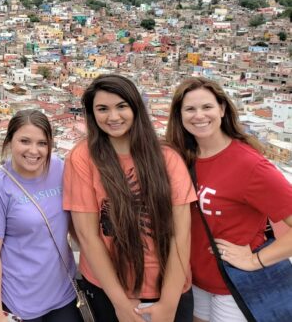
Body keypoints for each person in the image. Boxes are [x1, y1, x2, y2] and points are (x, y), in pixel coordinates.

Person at [64, 74, 196, 322]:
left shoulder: (167, 158)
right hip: (108, 290)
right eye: (102, 109)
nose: (113, 117)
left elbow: (181, 234)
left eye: (121, 106)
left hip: (169, 288)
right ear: (92, 115)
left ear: (136, 107)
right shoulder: (82, 158)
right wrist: (121, 304)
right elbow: (87, 236)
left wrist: (168, 303)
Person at [166, 77, 292, 322]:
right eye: (190, 109)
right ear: (179, 115)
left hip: (234, 285)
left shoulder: (249, 165)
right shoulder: (180, 158)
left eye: (207, 107)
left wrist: (255, 260)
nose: (199, 115)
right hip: (195, 280)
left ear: (222, 109)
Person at [0, 110, 81, 322]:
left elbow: (75, 223)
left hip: (63, 292)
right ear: (9, 141)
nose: (34, 151)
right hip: (19, 300)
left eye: (42, 143)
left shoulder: (59, 169)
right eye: (25, 141)